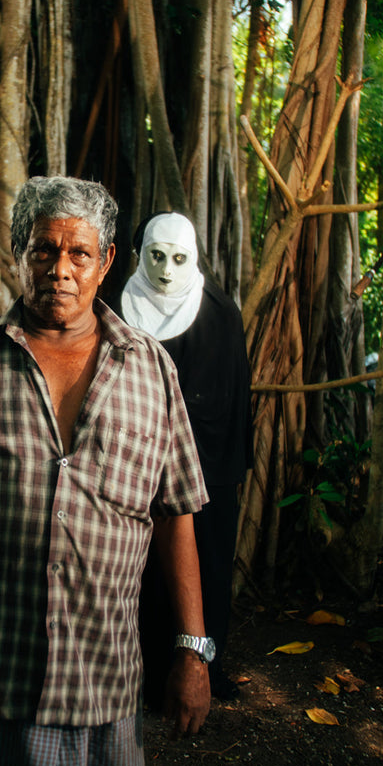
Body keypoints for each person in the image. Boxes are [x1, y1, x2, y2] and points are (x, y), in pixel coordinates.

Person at [0, 176, 212, 766]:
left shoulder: (152, 371)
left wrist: (192, 653)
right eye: (43, 250)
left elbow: (177, 516)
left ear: (107, 263)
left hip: (104, 685)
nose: (60, 269)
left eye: (80, 253)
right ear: (19, 253)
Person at [118, 211, 252, 705]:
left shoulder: (221, 314)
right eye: (157, 257)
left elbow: (234, 404)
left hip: (207, 472)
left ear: (193, 257)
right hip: (130, 465)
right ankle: (140, 677)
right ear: (140, 253)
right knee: (135, 571)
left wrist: (220, 476)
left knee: (207, 566)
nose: (167, 271)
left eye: (178, 259)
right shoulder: (114, 307)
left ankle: (203, 674)